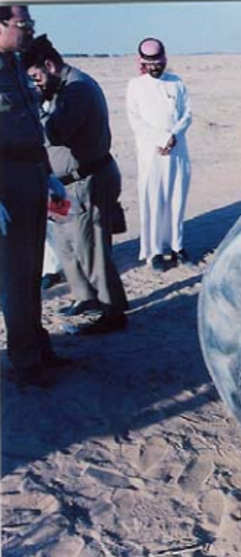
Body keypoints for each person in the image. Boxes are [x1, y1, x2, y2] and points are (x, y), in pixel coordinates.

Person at [23, 34, 129, 334]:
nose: (36, 84)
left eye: (36, 77)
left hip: (85, 184)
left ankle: (113, 311)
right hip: (61, 187)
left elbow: (56, 133)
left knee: (91, 249)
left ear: (49, 65)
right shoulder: (59, 88)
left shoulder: (77, 89)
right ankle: (86, 298)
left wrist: (33, 110)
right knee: (65, 245)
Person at [0, 5, 69, 386]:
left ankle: (40, 347)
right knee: (13, 274)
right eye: (23, 25)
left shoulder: (15, 65)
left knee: (31, 270)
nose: (29, 31)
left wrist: (48, 176)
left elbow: (30, 127)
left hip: (30, 175)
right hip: (5, 182)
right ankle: (25, 362)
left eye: (31, 25)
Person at [126, 37, 192, 272]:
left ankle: (177, 246)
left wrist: (173, 136)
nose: (155, 67)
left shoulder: (177, 83)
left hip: (178, 152)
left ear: (165, 59)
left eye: (158, 62)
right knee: (153, 201)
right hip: (151, 154)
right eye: (149, 63)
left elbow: (187, 114)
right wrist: (161, 139)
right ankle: (153, 252)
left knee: (177, 200)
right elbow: (136, 121)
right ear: (142, 62)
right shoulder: (135, 85)